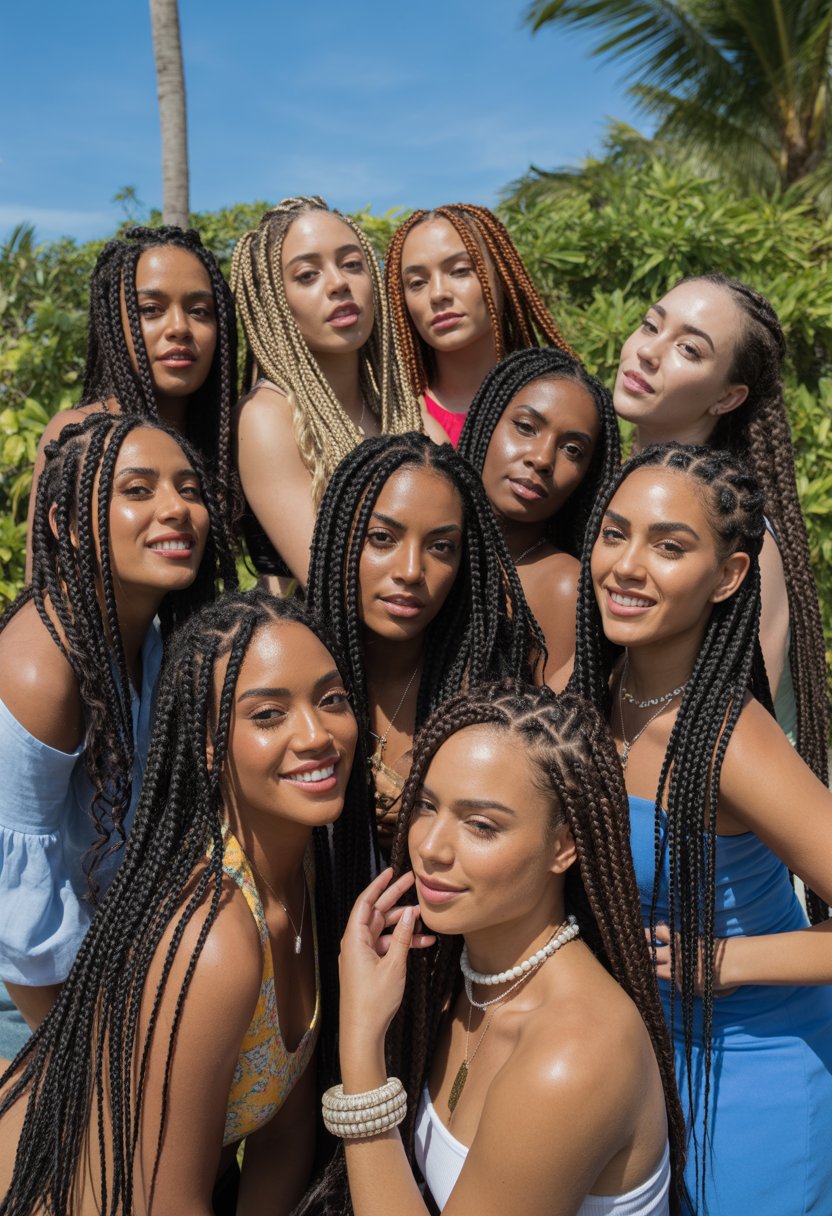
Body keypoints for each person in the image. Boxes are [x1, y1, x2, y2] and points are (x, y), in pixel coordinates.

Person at [0, 589, 373, 1214]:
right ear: (205, 742)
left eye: (330, 699)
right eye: (267, 715)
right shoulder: (212, 937)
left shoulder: (304, 868)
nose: (316, 734)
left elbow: (284, 1136)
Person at [571, 443, 832, 1214]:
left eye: (669, 545)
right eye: (614, 534)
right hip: (639, 1063)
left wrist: (731, 959)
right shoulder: (594, 690)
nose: (627, 564)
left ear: (729, 577)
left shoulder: (730, 742)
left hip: (753, 1077)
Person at [312, 683, 685, 1216]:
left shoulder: (573, 1055)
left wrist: (360, 1041)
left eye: (481, 825)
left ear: (564, 846)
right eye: (426, 805)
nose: (431, 847)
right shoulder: (463, 980)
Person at [0, 413, 235, 1059]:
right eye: (137, 490)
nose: (176, 508)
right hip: (29, 1008)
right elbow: (18, 921)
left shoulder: (152, 640)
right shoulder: (39, 668)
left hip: (109, 976)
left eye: (189, 489)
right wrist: (91, 1069)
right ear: (67, 523)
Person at [612, 274, 828, 815]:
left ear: (728, 397)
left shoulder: (745, 543)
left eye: (688, 348)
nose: (649, 352)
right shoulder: (604, 494)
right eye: (650, 325)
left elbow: (735, 737)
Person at [306, 432, 543, 845]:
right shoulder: (291, 666)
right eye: (382, 538)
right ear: (340, 539)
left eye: (441, 547)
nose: (412, 570)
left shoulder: (491, 693)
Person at [230, 197, 424, 592]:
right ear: (273, 302)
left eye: (352, 264)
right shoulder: (265, 415)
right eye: (307, 275)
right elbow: (333, 585)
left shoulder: (404, 410)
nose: (338, 284)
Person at [26, 225, 239, 571]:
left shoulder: (230, 436)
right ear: (113, 322)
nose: (179, 327)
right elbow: (44, 593)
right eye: (151, 309)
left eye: (200, 310)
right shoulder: (81, 434)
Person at [458, 347, 620, 690]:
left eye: (572, 449)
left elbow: (552, 738)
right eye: (526, 427)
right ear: (487, 420)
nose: (543, 459)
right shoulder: (429, 547)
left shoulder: (564, 585)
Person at [385, 203, 573, 445]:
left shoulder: (557, 398)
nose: (438, 294)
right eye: (417, 282)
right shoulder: (394, 420)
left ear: (500, 276)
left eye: (460, 271)